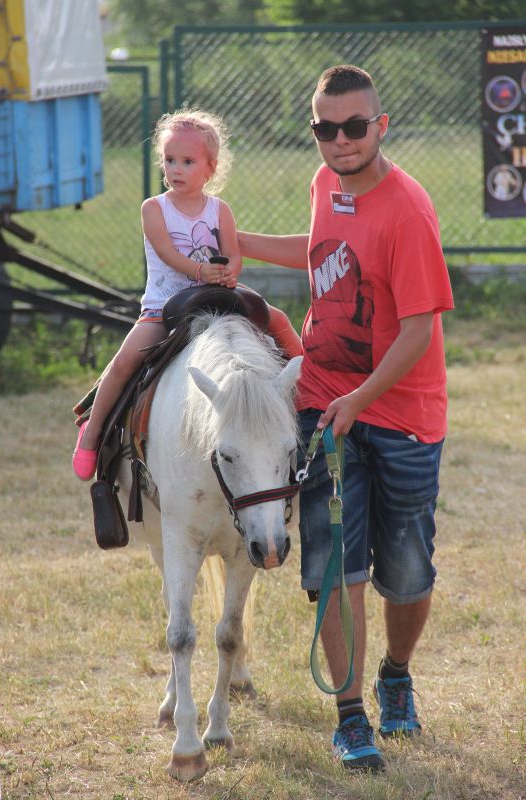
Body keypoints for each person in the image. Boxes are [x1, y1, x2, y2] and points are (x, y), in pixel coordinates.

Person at [238, 65, 454, 772]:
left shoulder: (408, 210)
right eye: (324, 128)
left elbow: (418, 332)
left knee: (408, 572)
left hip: (402, 417)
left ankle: (396, 674)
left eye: (354, 126)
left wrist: (358, 402)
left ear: (380, 126)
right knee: (337, 564)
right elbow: (317, 257)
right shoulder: (323, 185)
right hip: (322, 405)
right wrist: (237, 246)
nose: (340, 140)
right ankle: (351, 716)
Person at [73, 108, 301, 481]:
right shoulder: (154, 209)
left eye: (187, 161)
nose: (175, 169)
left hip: (216, 293)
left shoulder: (219, 210)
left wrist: (230, 272)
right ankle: (92, 433)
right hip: (166, 303)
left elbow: (233, 252)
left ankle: (309, 392)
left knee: (276, 318)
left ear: (210, 169)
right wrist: (199, 270)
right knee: (125, 362)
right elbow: (166, 252)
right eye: (170, 160)